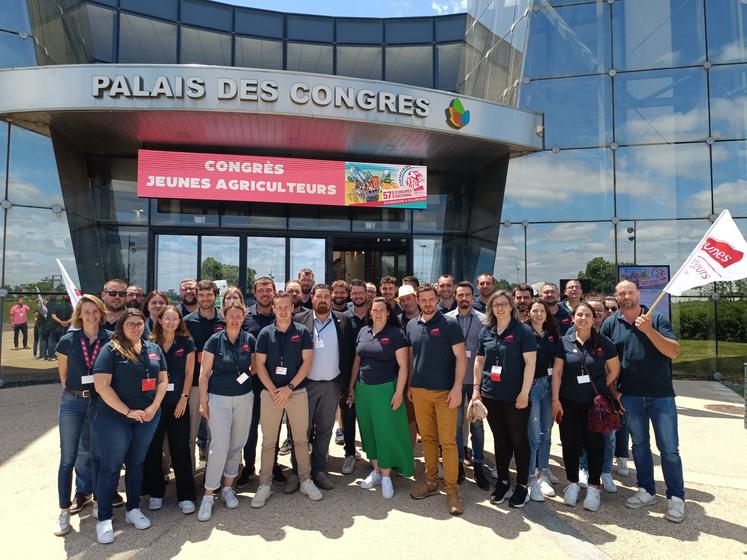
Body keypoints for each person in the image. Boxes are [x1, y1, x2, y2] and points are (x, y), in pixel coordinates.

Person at [601, 280, 685, 523]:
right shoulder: (610, 323)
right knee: (639, 446)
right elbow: (607, 363)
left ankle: (676, 497)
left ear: (638, 294)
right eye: (621, 293)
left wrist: (648, 330)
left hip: (661, 396)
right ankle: (646, 490)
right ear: (616, 297)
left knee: (669, 449)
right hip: (630, 397)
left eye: (630, 291)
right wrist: (614, 393)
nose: (626, 296)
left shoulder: (656, 319)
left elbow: (673, 351)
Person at [91, 308, 168, 544]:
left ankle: (133, 509)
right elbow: (102, 386)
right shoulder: (111, 350)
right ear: (121, 326)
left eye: (139, 323)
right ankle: (104, 518)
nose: (136, 327)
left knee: (136, 463)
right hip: (115, 418)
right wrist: (127, 411)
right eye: (131, 324)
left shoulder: (153, 349)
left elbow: (163, 380)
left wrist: (154, 407)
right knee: (111, 467)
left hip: (147, 416)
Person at [251, 291, 323, 507]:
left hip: (296, 392)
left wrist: (289, 388)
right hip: (271, 393)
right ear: (273, 308)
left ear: (292, 308)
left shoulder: (302, 332)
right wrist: (274, 390)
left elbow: (307, 362)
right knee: (269, 441)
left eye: (286, 306)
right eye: (278, 307)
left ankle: (305, 480)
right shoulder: (265, 333)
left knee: (300, 439)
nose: (282, 310)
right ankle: (264, 484)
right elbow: (259, 365)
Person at [552, 302, 620, 512]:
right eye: (579, 315)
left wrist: (601, 388)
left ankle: (593, 487)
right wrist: (556, 399)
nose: (583, 318)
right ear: (572, 318)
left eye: (587, 315)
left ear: (594, 318)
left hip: (594, 405)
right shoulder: (563, 342)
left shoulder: (604, 343)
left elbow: (614, 370)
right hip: (569, 403)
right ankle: (572, 483)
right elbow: (557, 373)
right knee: (569, 443)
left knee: (595, 445)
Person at [53, 295, 111, 536]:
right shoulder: (68, 340)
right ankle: (64, 510)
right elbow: (63, 376)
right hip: (73, 401)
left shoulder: (109, 339)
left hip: (99, 403)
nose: (91, 315)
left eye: (95, 311)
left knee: (98, 454)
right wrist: (77, 392)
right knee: (69, 457)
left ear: (101, 313)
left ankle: (98, 502)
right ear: (79, 314)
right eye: (86, 311)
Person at [473, 291, 536, 508]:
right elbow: (479, 362)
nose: (500, 308)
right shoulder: (486, 331)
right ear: (491, 308)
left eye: (503, 304)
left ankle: (522, 485)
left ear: (511, 306)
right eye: (495, 304)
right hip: (491, 395)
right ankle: (503, 481)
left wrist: (524, 393)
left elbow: (530, 363)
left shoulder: (523, 331)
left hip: (515, 397)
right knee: (500, 440)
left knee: (519, 440)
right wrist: (476, 390)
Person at [407, 284, 466, 515]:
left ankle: (452, 490)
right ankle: (431, 482)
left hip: (445, 393)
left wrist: (457, 388)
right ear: (418, 301)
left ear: (437, 299)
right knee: (429, 440)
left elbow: (461, 358)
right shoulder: (412, 325)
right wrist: (411, 383)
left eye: (432, 299)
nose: (428, 303)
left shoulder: (450, 324)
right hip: (420, 392)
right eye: (424, 300)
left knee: (448, 443)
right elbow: (413, 357)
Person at [348, 297, 413, 498]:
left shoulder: (396, 334)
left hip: (385, 389)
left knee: (385, 433)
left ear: (388, 313)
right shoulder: (363, 331)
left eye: (381, 310)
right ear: (370, 312)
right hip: (363, 389)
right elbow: (357, 361)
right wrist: (351, 387)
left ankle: (386, 476)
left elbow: (404, 366)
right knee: (368, 431)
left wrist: (398, 392)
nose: (377, 314)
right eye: (374, 310)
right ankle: (376, 471)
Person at [196, 301, 255, 521]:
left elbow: (254, 367)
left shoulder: (249, 340)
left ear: (243, 317)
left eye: (238, 315)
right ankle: (209, 495)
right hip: (218, 399)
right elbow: (203, 375)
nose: (234, 319)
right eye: (231, 315)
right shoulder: (214, 341)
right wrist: (203, 403)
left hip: (243, 398)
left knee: (235, 445)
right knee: (218, 447)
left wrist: (247, 374)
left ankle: (227, 488)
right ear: (224, 316)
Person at [293, 284, 355, 490]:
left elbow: (350, 353)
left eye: (326, 296)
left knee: (325, 430)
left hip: (331, 385)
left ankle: (319, 470)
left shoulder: (344, 320)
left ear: (331, 299)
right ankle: (298, 472)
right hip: (305, 385)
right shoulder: (299, 320)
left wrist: (347, 386)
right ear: (311, 298)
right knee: (301, 430)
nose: (322, 300)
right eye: (318, 296)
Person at [142, 305, 196, 514]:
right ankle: (156, 493)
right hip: (155, 404)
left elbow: (189, 373)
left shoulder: (186, 342)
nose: (171, 322)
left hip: (177, 403)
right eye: (167, 318)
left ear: (179, 321)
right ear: (160, 320)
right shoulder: (150, 343)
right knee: (153, 449)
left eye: (175, 318)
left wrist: (184, 398)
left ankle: (186, 496)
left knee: (180, 449)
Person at [237, 278, 287, 489]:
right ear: (254, 293)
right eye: (261, 290)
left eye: (269, 290)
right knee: (250, 426)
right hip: (252, 383)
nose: (265, 293)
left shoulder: (281, 316)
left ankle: (273, 463)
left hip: (275, 384)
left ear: (274, 293)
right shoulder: (245, 317)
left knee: (273, 427)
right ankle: (249, 466)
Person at [446, 282, 489, 490]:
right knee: (456, 424)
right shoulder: (447, 320)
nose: (464, 298)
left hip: (474, 381)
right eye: (460, 295)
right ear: (455, 296)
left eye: (468, 295)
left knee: (477, 424)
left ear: (473, 297)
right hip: (454, 381)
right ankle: (460, 463)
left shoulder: (483, 320)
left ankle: (479, 465)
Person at [184, 280, 226, 471]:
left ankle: (212, 474)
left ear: (215, 296)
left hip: (218, 384)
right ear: (197, 296)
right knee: (190, 434)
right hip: (193, 384)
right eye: (201, 295)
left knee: (215, 434)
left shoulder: (224, 320)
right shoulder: (187, 322)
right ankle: (190, 475)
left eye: (209, 295)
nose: (206, 299)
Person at [526, 299, 563, 502]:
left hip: (549, 386)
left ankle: (544, 471)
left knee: (546, 432)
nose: (539, 314)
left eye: (542, 311)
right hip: (532, 387)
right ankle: (531, 476)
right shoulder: (524, 332)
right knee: (534, 433)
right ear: (529, 313)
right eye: (535, 310)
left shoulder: (552, 335)